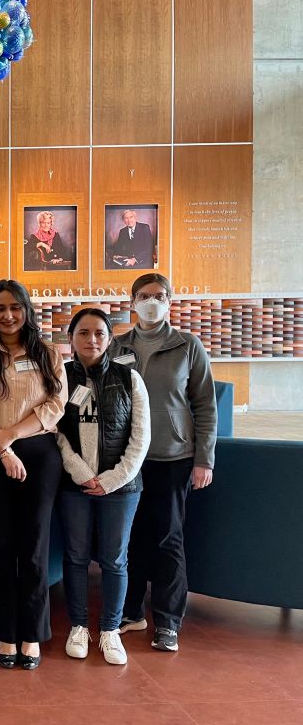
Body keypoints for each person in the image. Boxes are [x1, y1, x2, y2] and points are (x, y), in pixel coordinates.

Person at [114, 273, 217, 652]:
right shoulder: (118, 345)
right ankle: (131, 611)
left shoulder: (187, 345)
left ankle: (169, 620)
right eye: (143, 296)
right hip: (127, 459)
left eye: (158, 295)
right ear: (132, 302)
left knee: (168, 537)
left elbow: (205, 405)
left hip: (172, 456)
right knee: (131, 536)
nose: (150, 301)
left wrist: (204, 459)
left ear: (170, 301)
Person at [0, 279, 67, 670]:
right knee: (0, 544)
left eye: (15, 307)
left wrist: (14, 435)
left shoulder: (46, 352)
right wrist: (3, 447)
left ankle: (32, 633)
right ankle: (5, 632)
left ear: (26, 309)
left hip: (39, 455)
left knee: (34, 546)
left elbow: (56, 403)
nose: (7, 316)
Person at [56, 308, 150, 666]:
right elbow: (55, 431)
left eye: (98, 333)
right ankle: (79, 626)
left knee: (114, 559)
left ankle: (110, 630)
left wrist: (112, 480)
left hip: (122, 488)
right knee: (76, 556)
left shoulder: (130, 379)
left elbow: (140, 438)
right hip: (74, 485)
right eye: (83, 333)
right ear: (71, 339)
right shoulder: (60, 378)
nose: (91, 340)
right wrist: (80, 472)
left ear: (110, 338)